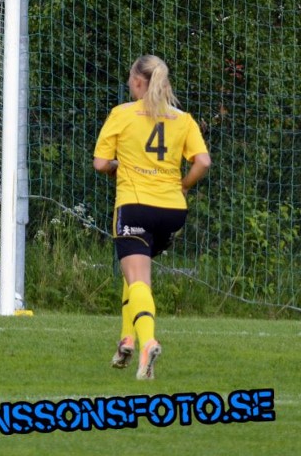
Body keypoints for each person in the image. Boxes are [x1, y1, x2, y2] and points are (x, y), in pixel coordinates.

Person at [92, 55, 211, 380]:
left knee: (138, 278)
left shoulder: (122, 114)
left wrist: (118, 166)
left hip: (135, 206)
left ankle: (147, 343)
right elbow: (203, 161)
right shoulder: (182, 118)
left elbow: (100, 163)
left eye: (131, 80)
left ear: (138, 82)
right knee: (135, 270)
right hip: (172, 212)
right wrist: (183, 185)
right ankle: (126, 340)